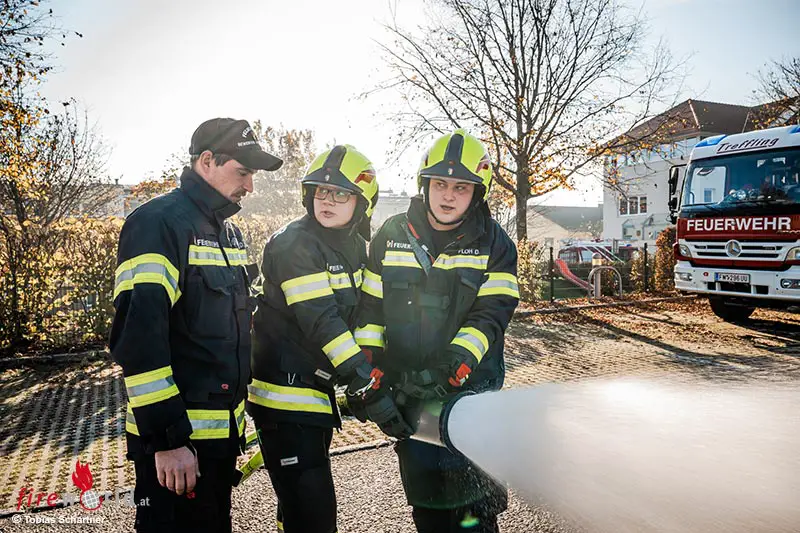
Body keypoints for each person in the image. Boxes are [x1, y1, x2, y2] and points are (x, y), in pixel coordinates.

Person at [110, 117, 283, 533]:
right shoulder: (157, 223)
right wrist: (168, 441)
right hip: (178, 446)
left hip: (218, 442)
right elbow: (140, 341)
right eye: (243, 172)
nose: (250, 186)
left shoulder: (230, 234)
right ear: (207, 161)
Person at [355, 129, 520, 532]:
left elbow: (491, 313)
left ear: (477, 193)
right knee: (428, 509)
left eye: (461, 187)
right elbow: (370, 312)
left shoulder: (495, 243)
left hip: (469, 396)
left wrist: (453, 365)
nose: (448, 196)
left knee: (476, 514)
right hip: (410, 398)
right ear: (424, 184)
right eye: (440, 184)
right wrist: (371, 379)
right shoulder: (390, 236)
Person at [246, 145, 411, 533]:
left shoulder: (353, 246)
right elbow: (322, 321)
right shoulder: (294, 244)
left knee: (301, 509)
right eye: (321, 191)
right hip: (285, 399)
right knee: (314, 513)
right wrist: (364, 383)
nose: (327, 200)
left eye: (340, 193)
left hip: (314, 395)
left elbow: (366, 312)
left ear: (362, 202)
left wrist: (375, 369)